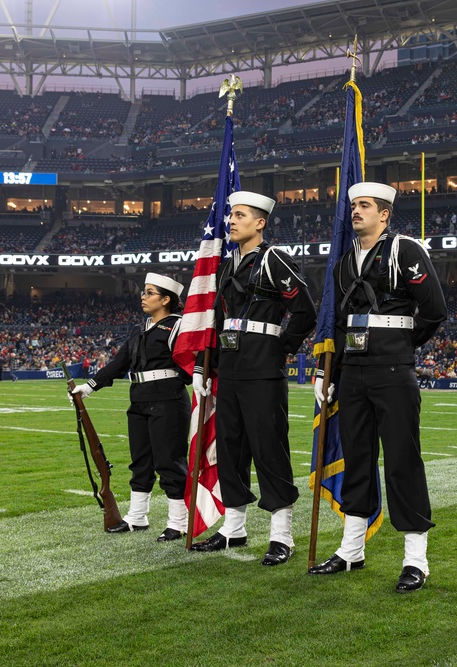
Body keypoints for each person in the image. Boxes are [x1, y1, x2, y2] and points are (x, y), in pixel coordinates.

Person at [309, 182, 447, 593]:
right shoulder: (343, 261)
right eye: (353, 206)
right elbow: (334, 322)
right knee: (357, 458)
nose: (356, 212)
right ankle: (351, 550)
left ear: (384, 213)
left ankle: (416, 560)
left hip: (392, 369)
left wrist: (400, 344)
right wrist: (326, 373)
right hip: (352, 371)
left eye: (365, 206)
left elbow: (435, 310)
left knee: (403, 461)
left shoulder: (405, 250)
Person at [189, 190, 317, 566]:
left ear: (260, 223)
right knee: (231, 448)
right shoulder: (227, 266)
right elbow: (213, 322)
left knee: (268, 449)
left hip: (263, 368)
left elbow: (305, 310)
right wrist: (202, 365)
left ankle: (282, 535)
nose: (231, 221)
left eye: (240, 216)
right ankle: (234, 527)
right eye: (231, 215)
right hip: (229, 368)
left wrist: (281, 347)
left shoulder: (274, 259)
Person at [69, 273, 192, 540]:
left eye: (149, 293)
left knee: (169, 462)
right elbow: (119, 362)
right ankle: (137, 517)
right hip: (139, 399)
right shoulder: (140, 329)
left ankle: (178, 521)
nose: (143, 297)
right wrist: (89, 386)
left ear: (166, 299)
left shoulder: (180, 327)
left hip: (169, 400)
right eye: (144, 292)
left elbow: (191, 367)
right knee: (141, 461)